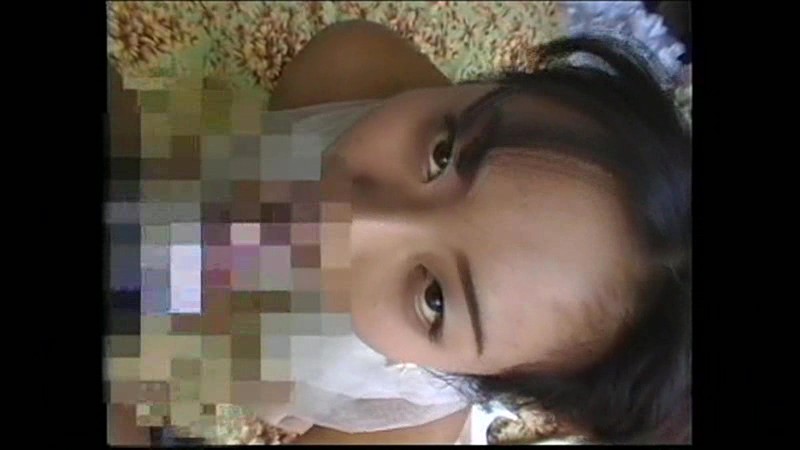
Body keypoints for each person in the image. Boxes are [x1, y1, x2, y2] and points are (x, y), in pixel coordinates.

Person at [265, 20, 691, 445]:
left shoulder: (397, 430)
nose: (345, 221)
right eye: (442, 154)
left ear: (484, 378)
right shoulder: (351, 67)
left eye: (434, 298)